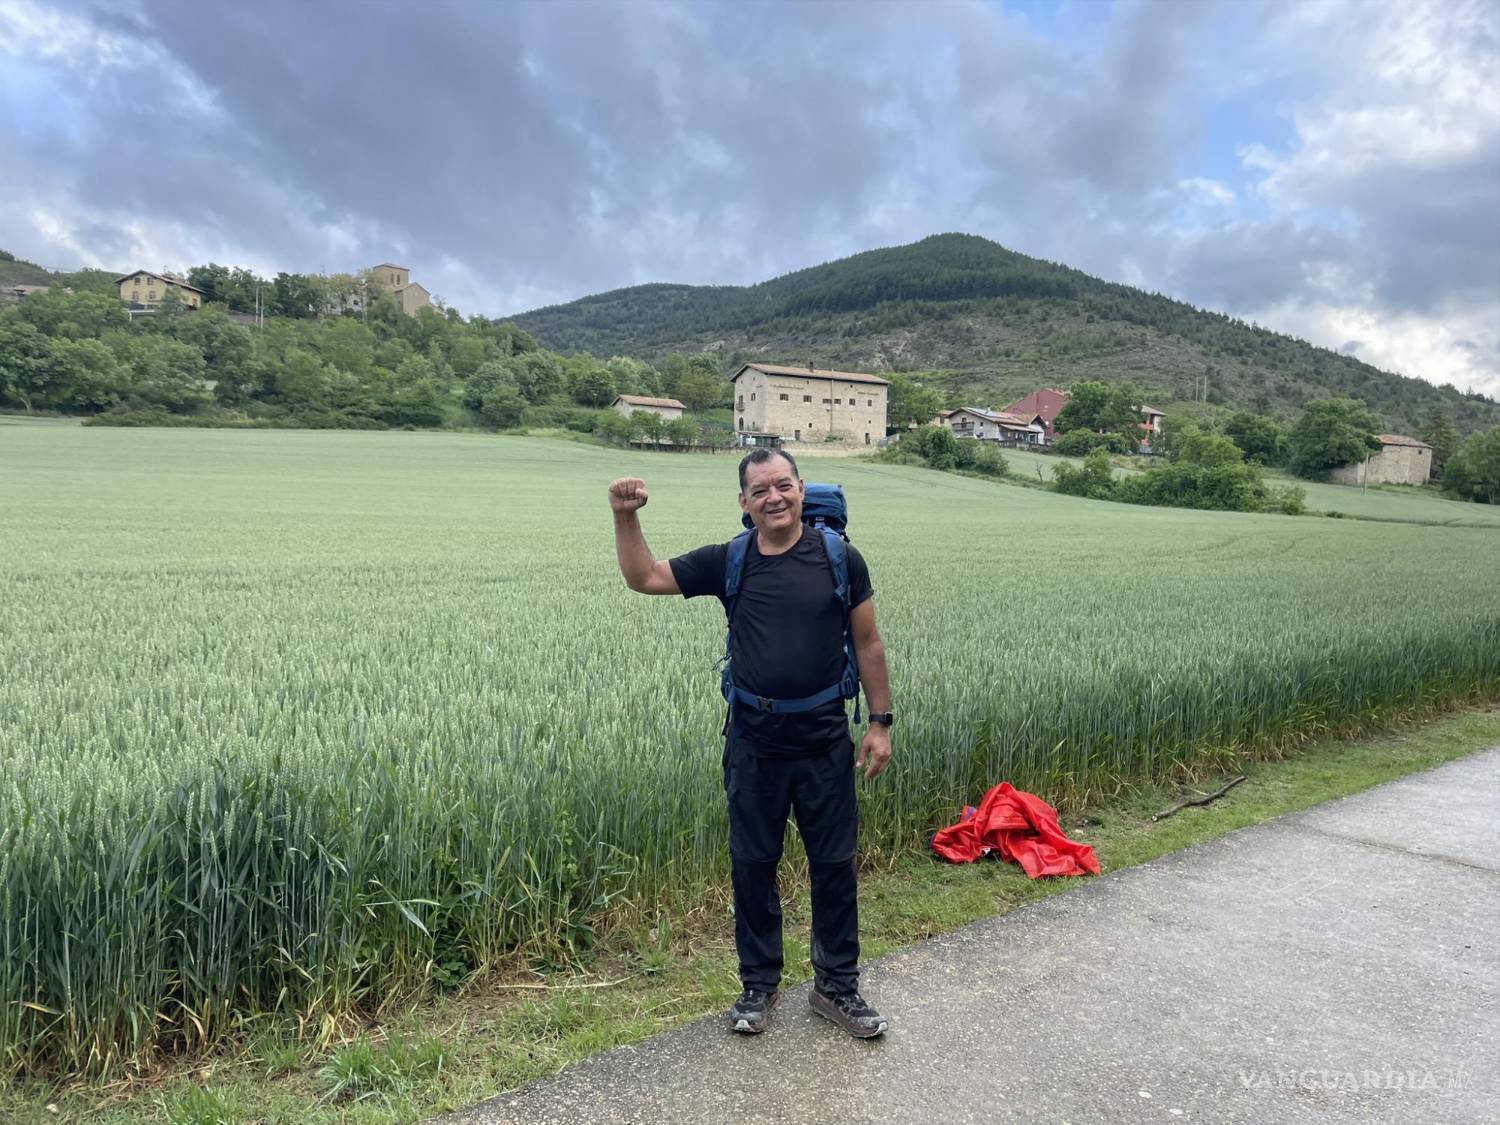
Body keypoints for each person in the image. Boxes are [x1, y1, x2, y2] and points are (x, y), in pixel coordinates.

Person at [607, 448, 893, 1038]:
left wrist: (881, 722)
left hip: (822, 739)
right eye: (760, 490)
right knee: (753, 866)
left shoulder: (840, 558)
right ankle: (758, 987)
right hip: (753, 742)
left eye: (783, 485)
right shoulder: (729, 560)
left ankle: (837, 988)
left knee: (834, 865)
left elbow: (867, 642)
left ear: (800, 487)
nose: (774, 497)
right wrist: (624, 515)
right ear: (744, 502)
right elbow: (644, 577)